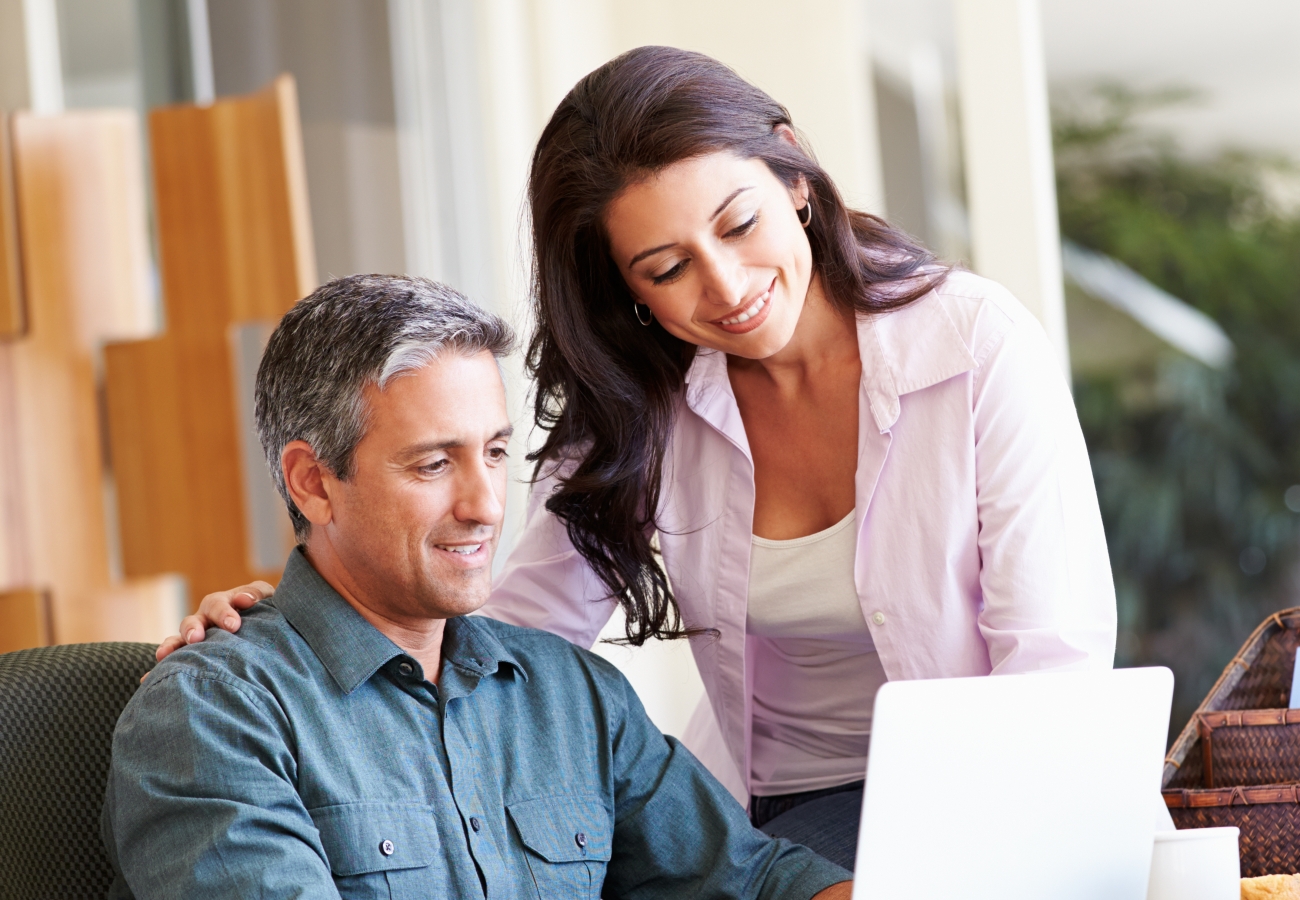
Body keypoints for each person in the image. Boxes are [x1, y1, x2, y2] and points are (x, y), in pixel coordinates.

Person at [160, 46, 1116, 868]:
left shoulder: (975, 344)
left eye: (738, 225)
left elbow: (1053, 663)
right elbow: (511, 630)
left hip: (995, 800)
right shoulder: (639, 397)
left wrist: (988, 854)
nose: (727, 287)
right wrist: (289, 628)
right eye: (666, 269)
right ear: (626, 291)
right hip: (781, 814)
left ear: (793, 175)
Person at [106, 275, 851, 900]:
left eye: (494, 453)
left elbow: (755, 884)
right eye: (434, 464)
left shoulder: (571, 696)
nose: (487, 505)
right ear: (314, 483)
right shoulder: (213, 714)